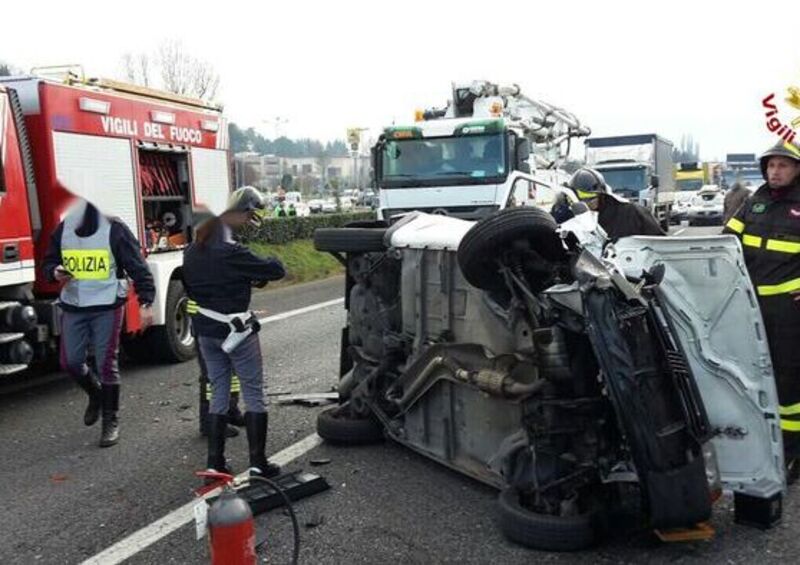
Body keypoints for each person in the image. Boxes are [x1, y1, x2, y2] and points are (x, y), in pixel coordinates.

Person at [183, 187, 286, 479]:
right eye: (250, 216)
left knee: (218, 393)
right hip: (237, 333)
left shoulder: (193, 250)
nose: (251, 222)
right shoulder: (232, 251)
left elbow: (196, 286)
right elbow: (274, 269)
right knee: (253, 394)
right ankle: (258, 463)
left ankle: (215, 463)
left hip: (206, 332)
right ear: (240, 212)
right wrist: (265, 266)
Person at [43, 199, 155, 447]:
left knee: (106, 364)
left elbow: (137, 267)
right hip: (74, 305)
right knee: (70, 362)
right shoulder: (64, 229)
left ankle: (110, 420)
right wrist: (54, 272)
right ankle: (95, 393)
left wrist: (146, 302)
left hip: (107, 305)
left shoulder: (114, 229)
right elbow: (48, 263)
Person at [723, 141, 800, 482]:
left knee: (788, 381)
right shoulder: (753, 203)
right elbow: (726, 242)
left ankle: (793, 451)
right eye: (771, 165)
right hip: (750, 307)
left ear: (796, 169)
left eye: (783, 165)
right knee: (751, 375)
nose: (775, 171)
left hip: (788, 310)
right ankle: (761, 445)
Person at [567, 167, 665, 240]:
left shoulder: (631, 212)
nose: (586, 205)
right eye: (581, 202)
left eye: (591, 199)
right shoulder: (571, 218)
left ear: (602, 195)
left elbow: (660, 243)